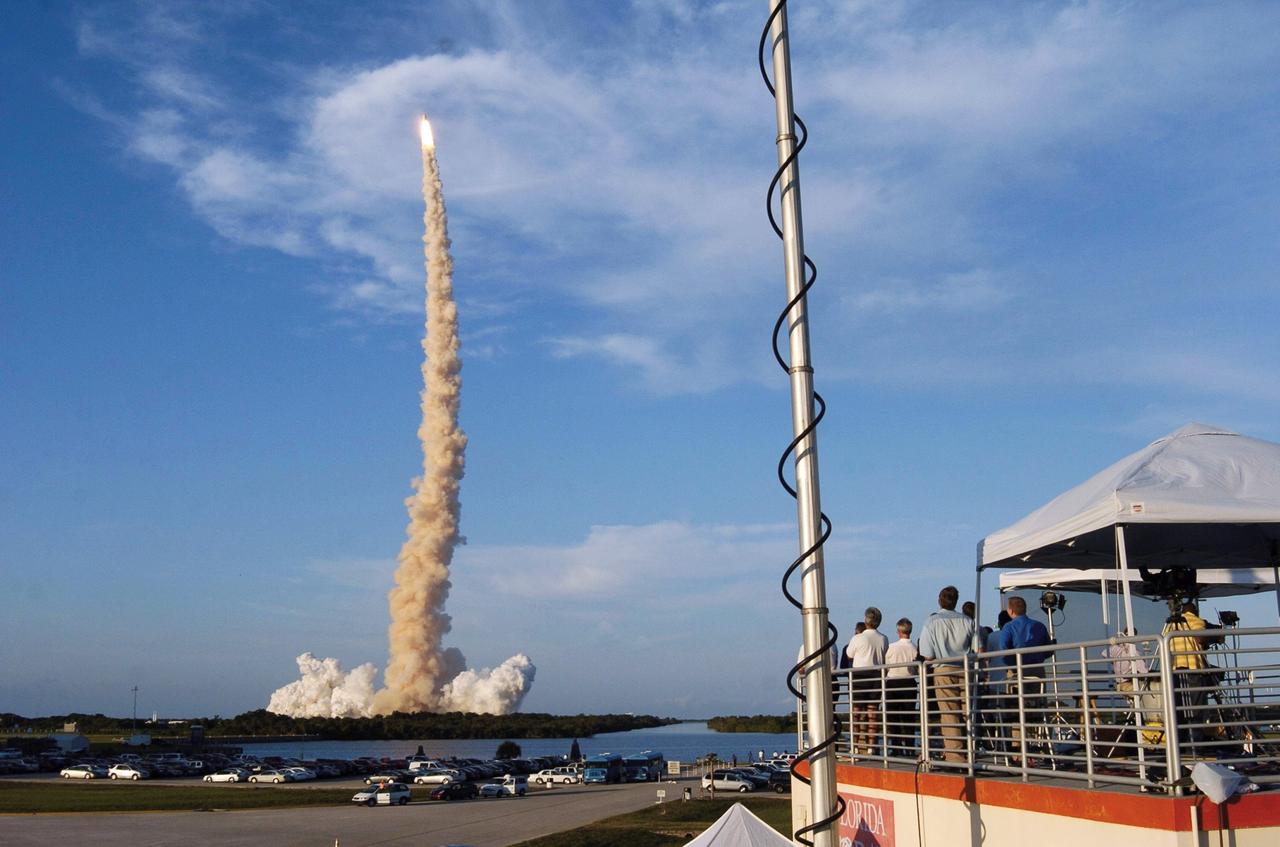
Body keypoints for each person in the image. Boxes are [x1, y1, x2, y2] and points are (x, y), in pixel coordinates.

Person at [917, 586, 976, 763]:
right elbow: (977, 647)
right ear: (956, 600)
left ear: (939, 599)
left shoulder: (932, 622)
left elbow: (927, 654)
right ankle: (971, 750)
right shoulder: (967, 620)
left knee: (949, 712)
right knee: (968, 711)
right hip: (966, 667)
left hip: (943, 668)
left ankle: (955, 756)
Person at [1162, 600, 1224, 746]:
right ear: (1194, 610)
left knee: (1178, 710)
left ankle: (1180, 744)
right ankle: (1195, 743)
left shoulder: (1169, 625)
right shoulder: (1195, 620)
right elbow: (1200, 638)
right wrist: (1215, 636)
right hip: (1193, 669)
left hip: (1175, 670)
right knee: (1196, 709)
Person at [998, 597, 1051, 757]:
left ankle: (1019, 751)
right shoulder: (1039, 626)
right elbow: (1049, 650)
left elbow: (1003, 651)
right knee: (1038, 707)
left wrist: (1013, 666)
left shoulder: (1008, 627)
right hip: (1037, 671)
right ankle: (1040, 746)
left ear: (1010, 610)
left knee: (1016, 710)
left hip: (1016, 672)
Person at [847, 608, 888, 756]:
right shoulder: (883, 638)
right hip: (876, 675)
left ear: (866, 620)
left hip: (859, 675)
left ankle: (855, 745)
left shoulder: (857, 638)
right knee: (872, 712)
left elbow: (849, 654)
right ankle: (871, 746)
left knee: (856, 712)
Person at [884, 617, 919, 757]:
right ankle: (910, 747)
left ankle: (895, 746)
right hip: (909, 683)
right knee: (908, 717)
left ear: (898, 631)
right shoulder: (914, 648)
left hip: (892, 682)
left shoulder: (892, 647)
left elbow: (886, 666)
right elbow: (916, 669)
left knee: (893, 717)